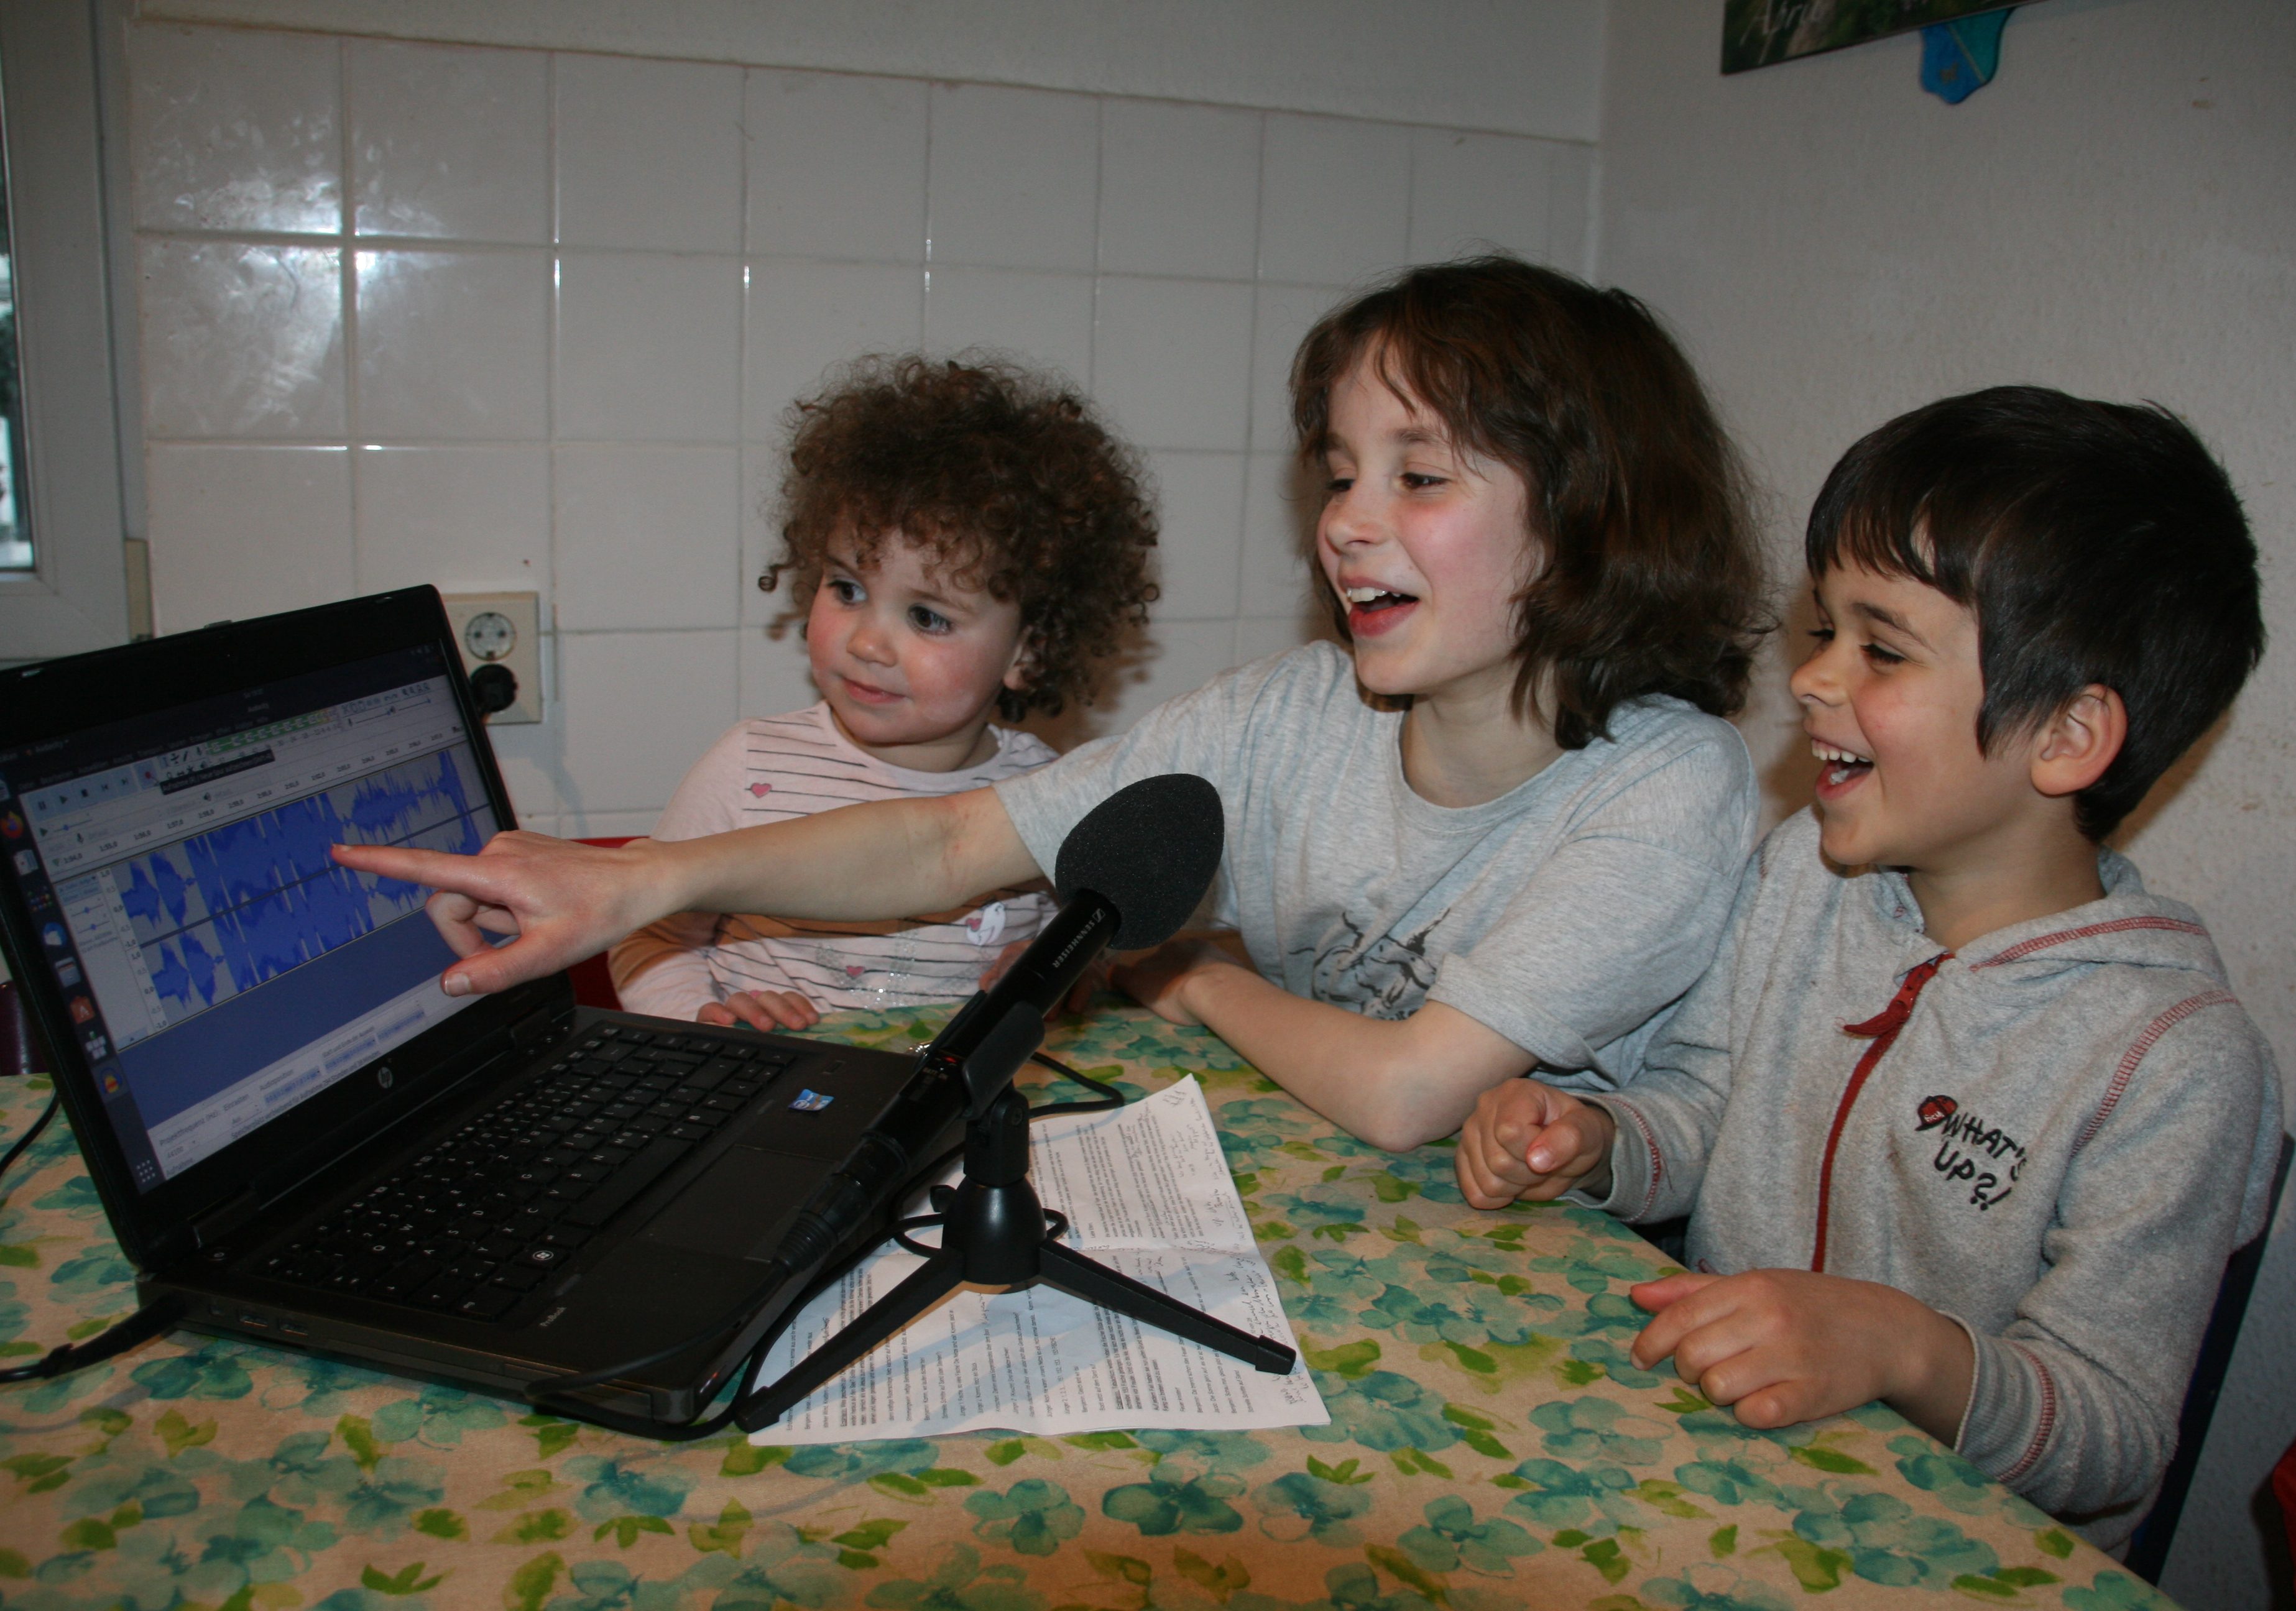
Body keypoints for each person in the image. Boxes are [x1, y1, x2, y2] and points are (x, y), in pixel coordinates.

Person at [334, 257, 1768, 1152]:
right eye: (1339, 472)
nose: (1345, 520)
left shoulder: (1667, 785)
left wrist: (1182, 974)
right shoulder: (1288, 714)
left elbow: (1407, 1096)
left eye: (1420, 474)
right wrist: (638, 881)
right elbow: (951, 841)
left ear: (1588, 521)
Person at [1455, 385, 2286, 1547]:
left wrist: (1901, 1348)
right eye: (1823, 632)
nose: (1811, 679)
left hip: (1938, 1554)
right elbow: (1704, 1105)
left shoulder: (2171, 1060)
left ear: (2065, 736)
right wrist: (1597, 1142)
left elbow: (2111, 1436)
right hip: (1711, 1480)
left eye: (1882, 649)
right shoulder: (1804, 875)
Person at [608, 356, 1157, 1030]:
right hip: (783, 1082)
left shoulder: (1046, 795)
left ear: (1028, 651)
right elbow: (645, 939)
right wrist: (708, 1018)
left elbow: (1093, 952)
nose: (868, 643)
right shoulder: (749, 769)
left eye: (927, 616)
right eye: (847, 589)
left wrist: (1056, 967)